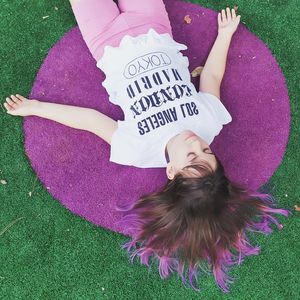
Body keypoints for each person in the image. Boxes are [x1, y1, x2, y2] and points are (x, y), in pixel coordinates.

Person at [3, 0, 291, 293]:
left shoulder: (139, 149)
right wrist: (225, 34)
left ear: (171, 170)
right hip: (153, 25)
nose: (197, 144)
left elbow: (92, 120)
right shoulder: (210, 122)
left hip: (105, 42)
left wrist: (36, 107)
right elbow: (211, 77)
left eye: (191, 157)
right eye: (207, 151)